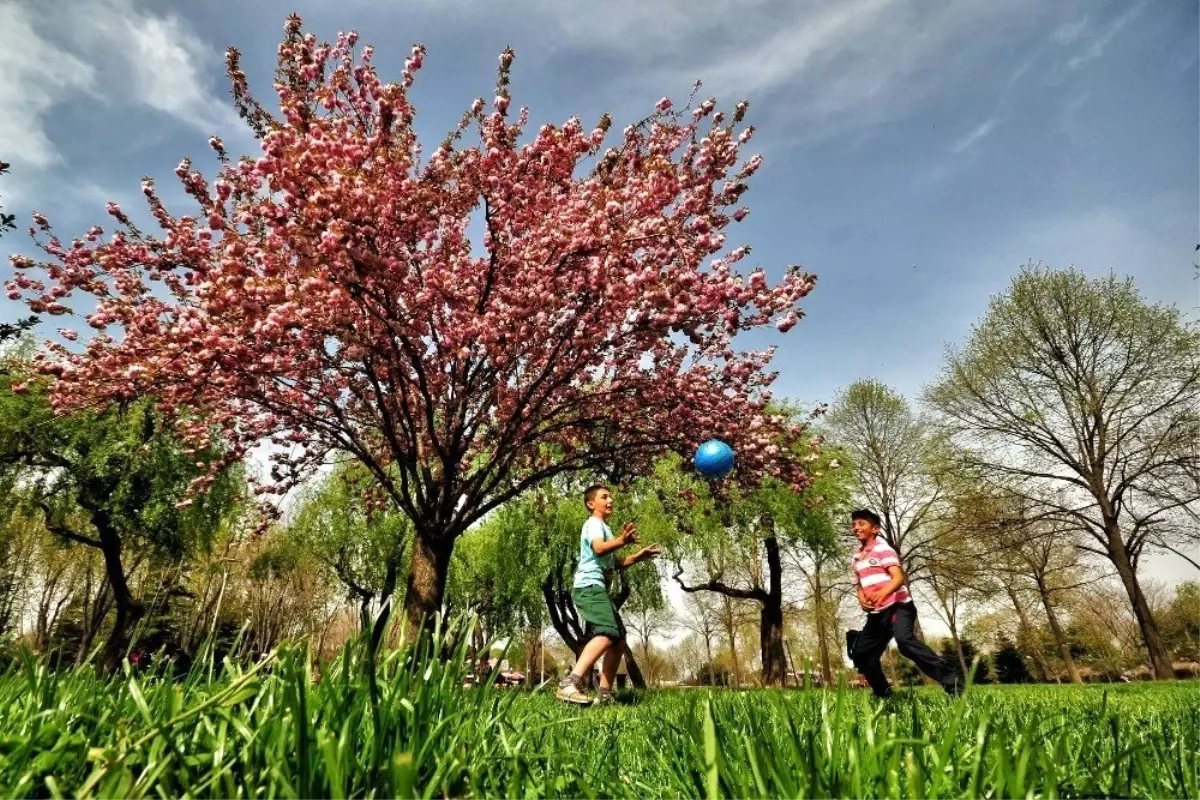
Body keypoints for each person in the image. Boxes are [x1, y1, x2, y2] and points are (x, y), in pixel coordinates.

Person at [556, 484, 661, 705]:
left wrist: (637, 556)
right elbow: (599, 549)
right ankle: (570, 683)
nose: (610, 500)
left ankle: (605, 694)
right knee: (607, 632)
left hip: (598, 589)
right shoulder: (593, 524)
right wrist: (622, 541)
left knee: (619, 640)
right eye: (604, 497)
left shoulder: (605, 529)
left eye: (611, 496)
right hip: (589, 587)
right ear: (591, 503)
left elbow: (615, 562)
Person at [846, 508, 961, 697]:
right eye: (853, 525)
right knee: (861, 654)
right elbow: (858, 584)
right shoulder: (856, 557)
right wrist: (861, 599)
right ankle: (883, 694)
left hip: (899, 607)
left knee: (905, 642)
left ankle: (954, 686)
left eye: (861, 523)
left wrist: (883, 592)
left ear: (875, 529)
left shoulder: (883, 549)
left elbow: (898, 578)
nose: (856, 527)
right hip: (877, 614)